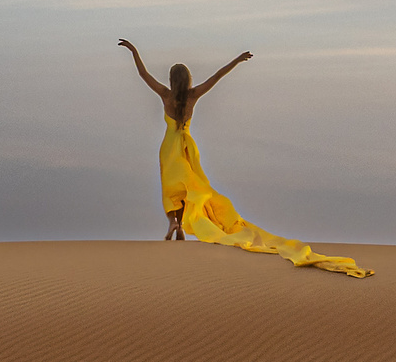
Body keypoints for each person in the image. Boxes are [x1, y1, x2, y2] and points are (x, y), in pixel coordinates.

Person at [116, 40, 371, 278]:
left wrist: (133, 51)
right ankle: (180, 225)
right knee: (190, 187)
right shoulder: (192, 96)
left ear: (172, 80)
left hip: (169, 148)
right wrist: (237, 60)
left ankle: (175, 223)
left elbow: (143, 75)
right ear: (188, 79)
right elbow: (217, 76)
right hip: (186, 148)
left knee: (172, 188)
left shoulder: (164, 94)